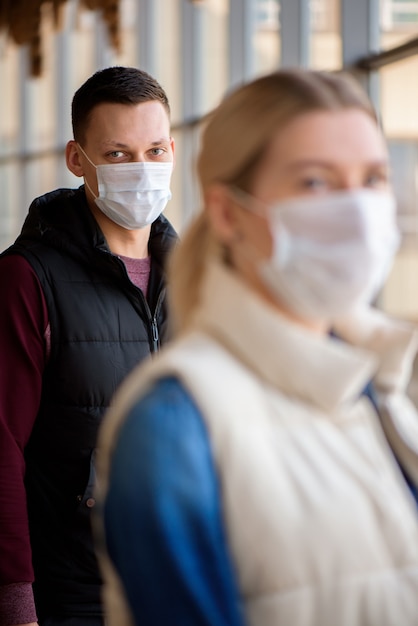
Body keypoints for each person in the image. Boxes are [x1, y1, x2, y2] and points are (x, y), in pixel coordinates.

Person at [95, 68, 418, 626]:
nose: (357, 210)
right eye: (316, 182)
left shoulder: (382, 388)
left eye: (372, 178)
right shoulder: (174, 419)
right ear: (228, 213)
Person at [0, 65, 177, 626]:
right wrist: (14, 602)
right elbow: (0, 447)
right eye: (119, 154)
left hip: (180, 578)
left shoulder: (198, 280)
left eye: (154, 150)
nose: (142, 170)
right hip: (72, 591)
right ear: (78, 160)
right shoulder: (26, 279)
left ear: (173, 149)